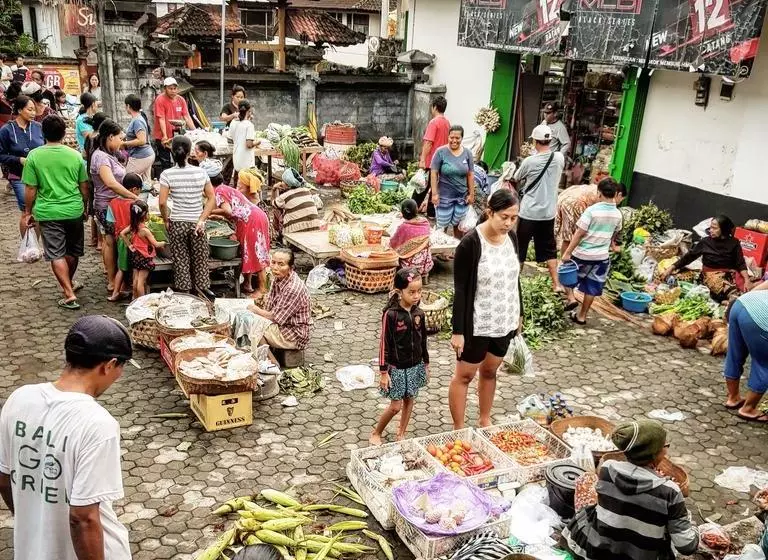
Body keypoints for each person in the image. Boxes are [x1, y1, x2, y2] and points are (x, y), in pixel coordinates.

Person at [0, 315, 133, 560]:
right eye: (121, 368)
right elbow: (83, 518)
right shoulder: (97, 424)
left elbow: (4, 478)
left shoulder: (18, 399)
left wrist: (34, 517)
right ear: (109, 365)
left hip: (32, 549)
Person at [564, 419, 699, 560]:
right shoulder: (670, 491)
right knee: (678, 521)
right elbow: (686, 546)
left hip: (598, 552)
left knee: (587, 479)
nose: (666, 449)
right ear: (656, 453)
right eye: (665, 446)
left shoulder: (607, 468)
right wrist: (695, 529)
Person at [449, 189, 523, 429]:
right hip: (477, 324)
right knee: (465, 376)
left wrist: (519, 312)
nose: (509, 223)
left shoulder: (512, 238)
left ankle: (484, 420)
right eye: (504, 217)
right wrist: (457, 330)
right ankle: (459, 427)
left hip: (504, 321)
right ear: (490, 212)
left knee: (490, 372)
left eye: (514, 218)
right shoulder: (470, 244)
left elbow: (515, 277)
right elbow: (460, 290)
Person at [21, 114, 89, 309]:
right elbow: (84, 185)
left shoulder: (34, 156)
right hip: (73, 209)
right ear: (62, 133)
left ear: (43, 133)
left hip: (48, 212)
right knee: (73, 251)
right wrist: (84, 206)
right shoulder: (74, 155)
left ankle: (68, 292)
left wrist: (28, 211)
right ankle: (68, 284)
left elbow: (31, 188)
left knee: (56, 253)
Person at [370, 268, 430, 445]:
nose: (416, 295)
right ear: (399, 291)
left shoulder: (420, 314)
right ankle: (376, 432)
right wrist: (383, 372)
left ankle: (401, 433)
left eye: (419, 291)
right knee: (395, 406)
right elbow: (384, 343)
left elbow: (423, 340)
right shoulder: (391, 315)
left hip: (414, 366)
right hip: (395, 368)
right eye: (411, 292)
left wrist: (425, 364)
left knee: (410, 400)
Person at [159, 135, 216, 298]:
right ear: (190, 152)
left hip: (177, 223)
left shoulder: (167, 174)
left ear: (172, 151)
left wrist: (165, 219)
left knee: (181, 260)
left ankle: (185, 295)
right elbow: (212, 198)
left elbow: (162, 202)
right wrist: (202, 219)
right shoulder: (201, 172)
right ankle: (201, 294)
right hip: (196, 224)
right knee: (200, 260)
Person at [561, 177, 624, 324]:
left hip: (582, 255)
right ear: (615, 194)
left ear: (599, 193)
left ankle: (570, 298)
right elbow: (615, 233)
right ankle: (582, 317)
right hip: (601, 258)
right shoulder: (618, 214)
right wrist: (611, 245)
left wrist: (568, 252)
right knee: (591, 287)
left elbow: (579, 233)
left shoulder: (591, 211)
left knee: (565, 273)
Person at [513, 124, 566, 291]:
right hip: (548, 213)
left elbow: (516, 177)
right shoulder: (559, 158)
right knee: (550, 249)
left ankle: (514, 284)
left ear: (535, 141)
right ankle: (556, 284)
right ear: (549, 141)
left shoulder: (530, 161)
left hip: (529, 212)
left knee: (520, 248)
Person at [91, 119, 138, 292]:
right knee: (110, 242)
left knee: (110, 241)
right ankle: (113, 280)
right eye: (120, 137)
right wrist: (135, 197)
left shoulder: (108, 154)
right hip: (106, 206)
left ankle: (116, 277)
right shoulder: (101, 157)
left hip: (115, 205)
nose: (122, 141)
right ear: (110, 137)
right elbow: (111, 183)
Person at [660, 215, 752, 301]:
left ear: (723, 230)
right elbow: (689, 257)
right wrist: (672, 267)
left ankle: (731, 299)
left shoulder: (734, 243)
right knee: (673, 279)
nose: (710, 230)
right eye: (710, 227)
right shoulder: (705, 242)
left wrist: (747, 280)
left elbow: (740, 263)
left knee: (741, 290)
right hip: (709, 275)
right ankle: (726, 297)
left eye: (714, 228)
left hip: (727, 276)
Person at [212, 183, 271, 296]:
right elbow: (235, 209)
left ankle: (263, 289)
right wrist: (219, 216)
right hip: (252, 217)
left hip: (251, 220)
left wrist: (208, 212)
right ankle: (247, 284)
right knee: (246, 251)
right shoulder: (225, 188)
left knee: (257, 253)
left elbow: (228, 211)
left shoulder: (218, 190)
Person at [247, 249, 311, 350]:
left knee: (252, 326)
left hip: (293, 335)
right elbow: (269, 306)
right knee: (250, 320)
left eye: (281, 264)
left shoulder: (292, 288)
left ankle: (272, 362)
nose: (275, 267)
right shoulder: (277, 278)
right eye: (273, 263)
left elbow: (275, 317)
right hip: (282, 325)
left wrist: (255, 310)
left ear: (291, 268)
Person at [723, 285, 768, 422]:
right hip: (761, 317)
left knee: (734, 353)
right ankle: (748, 408)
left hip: (742, 303)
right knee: (764, 363)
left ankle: (733, 398)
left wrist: (746, 301)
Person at [0, 95, 43, 221]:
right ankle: (27, 240)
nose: (33, 113)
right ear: (19, 110)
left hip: (39, 175)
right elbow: (1, 155)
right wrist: (18, 160)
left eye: (34, 110)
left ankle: (35, 239)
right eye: (29, 110)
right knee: (27, 210)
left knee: (38, 210)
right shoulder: (6, 130)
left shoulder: (38, 127)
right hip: (19, 176)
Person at [431, 125, 475, 240]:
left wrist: (471, 194)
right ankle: (441, 251)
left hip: (461, 197)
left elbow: (470, 174)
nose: (454, 140)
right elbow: (434, 173)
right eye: (452, 137)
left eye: (457, 138)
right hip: (444, 197)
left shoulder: (467, 153)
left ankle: (457, 249)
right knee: (442, 225)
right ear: (448, 137)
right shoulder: (441, 152)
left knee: (459, 226)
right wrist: (434, 194)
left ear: (462, 138)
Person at [556, 182, 626, 252]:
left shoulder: (604, 188)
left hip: (565, 197)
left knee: (565, 234)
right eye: (621, 200)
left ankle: (563, 256)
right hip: (573, 203)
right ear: (619, 195)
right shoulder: (608, 199)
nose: (619, 203)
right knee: (571, 237)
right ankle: (566, 258)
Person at [107, 173, 143, 302]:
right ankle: (135, 296)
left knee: (121, 268)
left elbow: (109, 222)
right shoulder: (135, 203)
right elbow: (142, 222)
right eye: (139, 190)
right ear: (134, 189)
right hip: (134, 240)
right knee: (135, 268)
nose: (139, 193)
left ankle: (116, 292)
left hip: (121, 240)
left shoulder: (112, 203)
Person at [120, 200, 165, 299]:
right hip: (145, 257)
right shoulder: (145, 231)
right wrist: (164, 243)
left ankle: (135, 299)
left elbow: (122, 233)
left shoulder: (133, 226)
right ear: (144, 215)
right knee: (141, 281)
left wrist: (130, 245)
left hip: (136, 256)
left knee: (135, 279)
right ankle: (142, 301)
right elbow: (156, 244)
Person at [153, 77, 195, 174]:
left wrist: (195, 131)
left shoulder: (181, 100)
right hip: (162, 135)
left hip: (177, 135)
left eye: (174, 88)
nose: (173, 91)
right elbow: (161, 118)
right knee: (165, 161)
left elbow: (186, 116)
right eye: (170, 88)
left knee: (180, 159)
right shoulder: (160, 100)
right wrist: (164, 136)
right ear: (165, 89)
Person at [416, 95, 450, 215]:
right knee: (434, 186)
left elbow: (428, 142)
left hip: (431, 160)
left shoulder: (434, 122)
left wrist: (423, 159)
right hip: (442, 161)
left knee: (422, 185)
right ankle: (431, 212)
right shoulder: (447, 123)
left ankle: (410, 209)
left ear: (434, 107)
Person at [389, 198, 433, 279]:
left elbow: (393, 244)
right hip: (427, 264)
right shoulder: (425, 222)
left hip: (410, 267)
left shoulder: (404, 227)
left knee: (393, 251)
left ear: (403, 213)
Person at [272, 172, 322, 238]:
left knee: (276, 210)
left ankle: (279, 235)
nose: (281, 183)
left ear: (287, 184)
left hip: (295, 232)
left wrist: (274, 189)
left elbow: (273, 203)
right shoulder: (306, 191)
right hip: (314, 227)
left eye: (283, 181)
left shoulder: (285, 196)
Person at [123, 93, 155, 183]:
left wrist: (123, 143)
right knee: (145, 182)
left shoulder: (137, 120)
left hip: (141, 155)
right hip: (146, 155)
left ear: (128, 106)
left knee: (127, 180)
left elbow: (142, 140)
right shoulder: (138, 118)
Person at [230, 99, 257, 192]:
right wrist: (258, 142)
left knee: (238, 184)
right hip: (246, 161)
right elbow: (249, 144)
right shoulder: (249, 125)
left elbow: (231, 137)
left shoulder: (234, 123)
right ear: (249, 111)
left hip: (237, 158)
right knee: (247, 188)